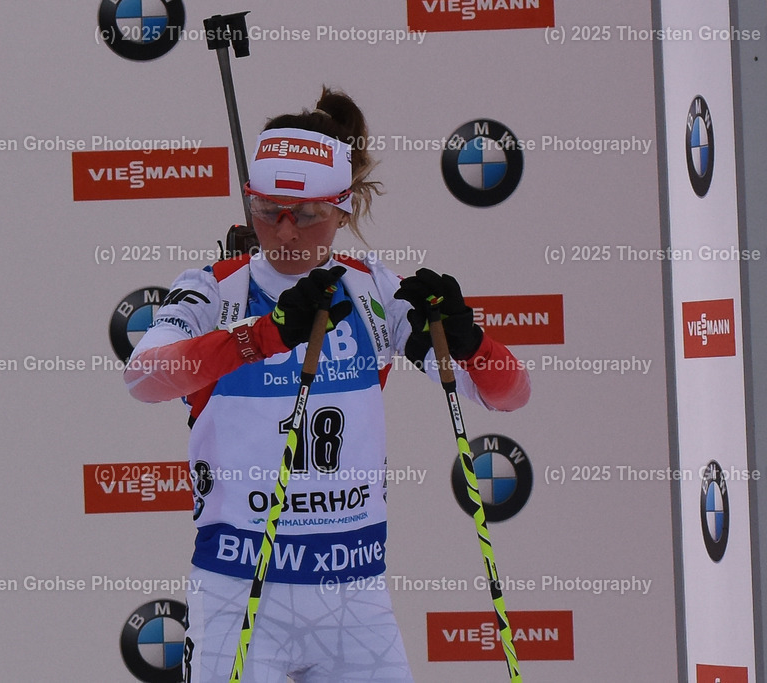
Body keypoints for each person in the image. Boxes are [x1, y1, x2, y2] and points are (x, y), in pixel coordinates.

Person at [124, 87, 530, 683]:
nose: (285, 232)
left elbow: (508, 394)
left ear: (343, 208)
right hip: (238, 589)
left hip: (354, 595)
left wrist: (472, 344)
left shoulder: (371, 289)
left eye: (308, 213)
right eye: (268, 210)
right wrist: (260, 336)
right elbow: (142, 377)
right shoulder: (216, 289)